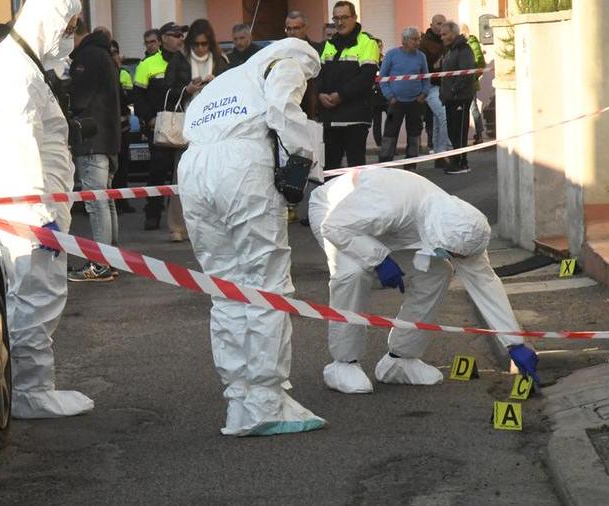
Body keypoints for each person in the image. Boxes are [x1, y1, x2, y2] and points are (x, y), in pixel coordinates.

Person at [179, 38, 326, 437]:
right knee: (266, 283)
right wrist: (303, 159)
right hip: (242, 166)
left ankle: (238, 398)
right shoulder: (287, 63)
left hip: (193, 168)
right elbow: (283, 108)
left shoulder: (228, 80)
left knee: (225, 286)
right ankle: (265, 399)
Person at [308, 168, 539, 393]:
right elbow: (335, 226)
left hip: (386, 229)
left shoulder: (465, 228)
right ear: (437, 239)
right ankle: (343, 363)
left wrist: (514, 342)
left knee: (439, 272)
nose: (458, 259)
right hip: (336, 212)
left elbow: (485, 283)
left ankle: (401, 359)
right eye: (454, 254)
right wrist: (378, 259)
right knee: (353, 274)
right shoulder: (391, 204)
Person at [0, 0, 94, 418]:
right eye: (67, 26)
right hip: (30, 205)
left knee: (35, 295)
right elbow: (20, 146)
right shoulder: (14, 71)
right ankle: (31, 389)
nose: (69, 36)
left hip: (36, 202)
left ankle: (31, 385)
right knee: (35, 296)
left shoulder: (22, 65)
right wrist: (38, 212)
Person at [162, 19, 229, 242]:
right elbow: (166, 91)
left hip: (213, 126)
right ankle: (176, 226)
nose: (200, 48)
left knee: (213, 178)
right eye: (197, 44)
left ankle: (212, 225)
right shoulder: (179, 59)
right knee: (181, 176)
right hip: (186, 125)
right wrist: (188, 89)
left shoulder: (220, 60)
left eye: (204, 44)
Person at [67, 18, 121, 282]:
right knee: (106, 201)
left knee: (96, 203)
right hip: (108, 139)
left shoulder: (87, 56)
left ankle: (100, 264)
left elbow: (80, 97)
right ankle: (111, 261)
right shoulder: (104, 55)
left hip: (92, 141)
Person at [133, 22, 186, 232]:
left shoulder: (186, 62)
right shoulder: (147, 64)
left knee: (183, 173)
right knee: (158, 171)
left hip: (185, 124)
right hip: (160, 126)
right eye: (175, 35)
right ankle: (153, 213)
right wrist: (149, 119)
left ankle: (183, 219)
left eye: (182, 35)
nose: (180, 38)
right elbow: (138, 96)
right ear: (164, 38)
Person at [317, 1, 380, 169]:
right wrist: (320, 93)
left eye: (344, 17)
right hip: (331, 116)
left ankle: (358, 196)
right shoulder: (330, 44)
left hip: (356, 116)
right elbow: (319, 73)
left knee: (356, 168)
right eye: (336, 18)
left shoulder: (367, 42)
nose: (340, 22)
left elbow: (366, 78)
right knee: (330, 167)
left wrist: (341, 95)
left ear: (354, 18)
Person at [378, 27, 428, 170]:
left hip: (415, 103)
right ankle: (385, 165)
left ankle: (411, 165)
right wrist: (389, 96)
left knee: (414, 135)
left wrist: (423, 94)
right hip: (396, 103)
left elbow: (426, 77)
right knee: (390, 134)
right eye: (414, 39)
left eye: (419, 39)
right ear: (404, 40)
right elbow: (382, 77)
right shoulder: (392, 55)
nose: (417, 42)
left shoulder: (421, 56)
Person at [440, 21, 476, 175]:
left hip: (460, 97)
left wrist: (454, 90)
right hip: (450, 98)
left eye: (445, 34)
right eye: (441, 34)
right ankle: (456, 160)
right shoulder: (450, 50)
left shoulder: (463, 49)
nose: (442, 37)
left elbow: (466, 73)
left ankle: (462, 162)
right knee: (452, 131)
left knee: (459, 130)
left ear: (453, 34)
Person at [420, 14, 451, 167]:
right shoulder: (425, 42)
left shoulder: (445, 40)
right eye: (439, 23)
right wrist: (435, 66)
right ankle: (444, 151)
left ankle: (439, 155)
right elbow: (423, 66)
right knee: (444, 116)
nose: (441, 26)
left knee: (438, 120)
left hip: (444, 85)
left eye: (444, 23)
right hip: (430, 86)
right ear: (431, 25)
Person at [110, 39, 135, 214]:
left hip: (124, 125)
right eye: (110, 53)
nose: (113, 56)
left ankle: (122, 202)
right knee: (113, 167)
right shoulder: (105, 72)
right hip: (111, 126)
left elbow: (128, 97)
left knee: (124, 166)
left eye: (115, 53)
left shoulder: (124, 73)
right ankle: (114, 202)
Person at [461, 23, 486, 144]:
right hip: (466, 82)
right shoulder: (468, 44)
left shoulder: (472, 44)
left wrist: (473, 76)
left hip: (470, 83)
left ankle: (479, 134)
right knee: (471, 108)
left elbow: (480, 63)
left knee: (473, 108)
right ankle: (477, 134)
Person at [370, 38, 387, 148]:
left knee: (391, 119)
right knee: (377, 122)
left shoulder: (385, 59)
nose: (379, 48)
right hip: (375, 96)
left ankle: (388, 143)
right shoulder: (370, 60)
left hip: (386, 95)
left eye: (380, 46)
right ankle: (380, 145)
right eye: (377, 46)